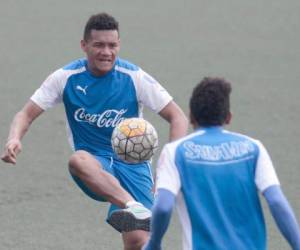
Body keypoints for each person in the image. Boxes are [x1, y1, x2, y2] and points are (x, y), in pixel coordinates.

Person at [1, 13, 188, 250]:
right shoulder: (66, 78)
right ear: (84, 45)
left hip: (133, 165)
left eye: (112, 45)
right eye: (99, 45)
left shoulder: (133, 77)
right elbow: (25, 114)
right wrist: (14, 138)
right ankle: (133, 206)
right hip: (95, 165)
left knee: (138, 242)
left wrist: (166, 165)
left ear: (119, 45)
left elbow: (178, 117)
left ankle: (133, 210)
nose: (106, 52)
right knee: (78, 160)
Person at [143, 77, 300, 250]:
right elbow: (276, 201)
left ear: (191, 117)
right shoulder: (253, 148)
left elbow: (164, 206)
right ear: (228, 117)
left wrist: (154, 244)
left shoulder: (175, 152)